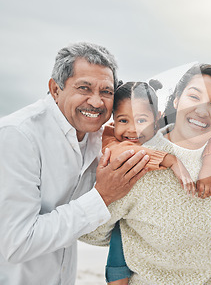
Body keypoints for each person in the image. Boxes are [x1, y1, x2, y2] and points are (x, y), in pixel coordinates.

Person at [81, 63, 211, 285]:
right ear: (175, 100)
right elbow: (91, 231)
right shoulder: (134, 161)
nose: (202, 110)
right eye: (194, 96)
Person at [0, 42, 150, 284]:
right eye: (84, 88)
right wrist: (102, 197)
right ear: (55, 89)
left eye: (107, 92)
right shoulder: (17, 136)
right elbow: (17, 243)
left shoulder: (100, 138)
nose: (97, 102)